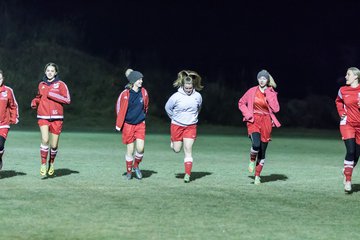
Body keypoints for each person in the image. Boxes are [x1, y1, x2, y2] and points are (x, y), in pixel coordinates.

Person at [238, 69, 281, 185]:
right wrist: (247, 114)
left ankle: (257, 176)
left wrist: (268, 93)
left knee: (262, 152)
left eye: (264, 78)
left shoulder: (271, 92)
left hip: (266, 121)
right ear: (258, 79)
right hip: (254, 120)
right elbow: (241, 102)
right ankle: (252, 160)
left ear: (267, 80)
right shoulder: (252, 91)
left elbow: (276, 109)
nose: (261, 80)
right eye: (260, 78)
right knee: (256, 144)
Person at [31, 62, 71, 176]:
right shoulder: (41, 84)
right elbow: (39, 97)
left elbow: (67, 99)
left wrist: (53, 95)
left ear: (56, 72)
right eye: (48, 70)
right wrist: (35, 101)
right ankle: (43, 163)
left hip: (57, 117)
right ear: (45, 72)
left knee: (53, 145)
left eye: (52, 71)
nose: (50, 73)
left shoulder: (61, 84)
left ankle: (51, 163)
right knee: (45, 140)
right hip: (43, 116)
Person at [165, 70, 203, 183]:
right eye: (186, 88)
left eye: (190, 88)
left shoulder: (198, 96)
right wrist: (174, 118)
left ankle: (187, 174)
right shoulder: (175, 97)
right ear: (183, 86)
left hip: (191, 126)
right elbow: (167, 108)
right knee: (177, 149)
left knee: (188, 149)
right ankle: (173, 142)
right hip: (177, 125)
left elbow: (198, 108)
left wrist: (192, 118)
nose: (188, 90)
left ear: (193, 86)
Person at [116, 69, 149, 180]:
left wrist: (143, 118)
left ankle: (136, 166)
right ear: (133, 80)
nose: (141, 81)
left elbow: (146, 106)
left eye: (141, 79)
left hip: (140, 124)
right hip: (128, 125)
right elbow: (119, 109)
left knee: (140, 149)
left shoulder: (144, 92)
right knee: (130, 150)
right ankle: (129, 172)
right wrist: (120, 123)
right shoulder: (125, 94)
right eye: (139, 79)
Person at [335, 67, 360, 193]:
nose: (345, 76)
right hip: (347, 123)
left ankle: (346, 169)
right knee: (350, 151)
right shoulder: (343, 90)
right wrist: (341, 112)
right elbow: (338, 101)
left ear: (356, 76)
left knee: (356, 155)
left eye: (348, 74)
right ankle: (348, 181)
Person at [0, 69, 19, 170]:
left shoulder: (8, 91)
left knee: (0, 145)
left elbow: (13, 105)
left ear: (3, 79)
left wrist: (14, 117)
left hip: (3, 124)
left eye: (0, 78)